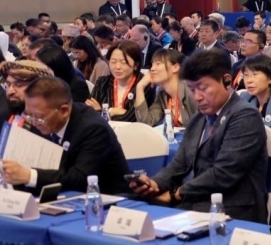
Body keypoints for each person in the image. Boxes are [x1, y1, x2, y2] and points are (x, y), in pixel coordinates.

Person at [129, 50, 269, 222]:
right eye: (192, 89)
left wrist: (176, 194)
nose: (197, 97)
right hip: (192, 203)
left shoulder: (245, 116)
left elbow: (223, 174)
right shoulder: (199, 118)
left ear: (226, 80)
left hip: (228, 209)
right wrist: (156, 183)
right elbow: (179, 164)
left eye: (203, 88)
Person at [1, 77, 130, 194]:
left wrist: (29, 176)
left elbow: (80, 178)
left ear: (64, 111)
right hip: (57, 195)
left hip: (106, 200)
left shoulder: (94, 129)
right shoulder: (40, 120)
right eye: (28, 114)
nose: (33, 122)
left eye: (39, 117)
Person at [87, 40, 155, 123]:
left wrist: (104, 112)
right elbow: (88, 112)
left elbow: (134, 118)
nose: (117, 67)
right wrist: (113, 112)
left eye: (123, 62)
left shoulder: (143, 84)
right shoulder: (103, 82)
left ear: (136, 65)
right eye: (113, 62)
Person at [134, 49, 197, 127]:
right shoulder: (162, 94)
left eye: (158, 64)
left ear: (176, 67)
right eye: (152, 64)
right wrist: (139, 87)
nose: (152, 69)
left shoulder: (190, 91)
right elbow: (146, 123)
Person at [0, 60, 52, 127]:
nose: (10, 91)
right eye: (8, 85)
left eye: (18, 85)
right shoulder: (5, 115)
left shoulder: (49, 125)